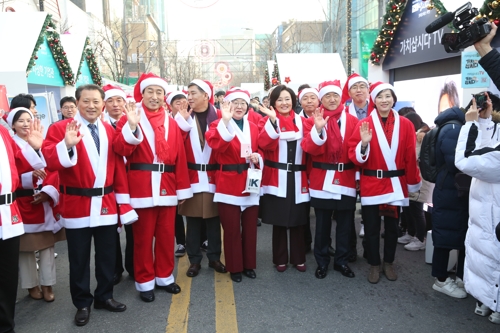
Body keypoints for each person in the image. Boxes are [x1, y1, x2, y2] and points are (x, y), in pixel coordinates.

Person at [42, 84, 137, 326]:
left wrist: (132, 127)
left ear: (102, 104)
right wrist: (67, 145)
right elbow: (51, 162)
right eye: (86, 101)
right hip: (77, 204)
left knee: (107, 255)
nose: (91, 106)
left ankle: (104, 296)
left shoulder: (108, 128)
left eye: (96, 101)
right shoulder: (60, 128)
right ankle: (82, 303)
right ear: (77, 103)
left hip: (105, 202)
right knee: (79, 258)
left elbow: (123, 150)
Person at [113, 73, 192, 303]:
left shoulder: (171, 122)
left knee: (167, 237)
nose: (155, 97)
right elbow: (120, 149)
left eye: (159, 92)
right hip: (141, 188)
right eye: (151, 92)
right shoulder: (130, 117)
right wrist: (131, 126)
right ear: (142, 93)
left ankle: (165, 277)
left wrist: (182, 190)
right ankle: (145, 281)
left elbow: (180, 158)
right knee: (143, 239)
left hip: (167, 186)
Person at [348, 82, 421, 284]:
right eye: (380, 96)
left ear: (394, 99)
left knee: (391, 228)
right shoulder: (364, 124)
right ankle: (373, 263)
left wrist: (413, 183)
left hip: (395, 183)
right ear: (374, 100)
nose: (384, 100)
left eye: (388, 96)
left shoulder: (406, 124)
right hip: (372, 182)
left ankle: (388, 262)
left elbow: (409, 156)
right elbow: (354, 157)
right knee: (370, 227)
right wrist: (363, 143)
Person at [301, 80, 358, 279]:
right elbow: (308, 148)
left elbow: (357, 151)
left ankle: (341, 261)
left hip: (346, 178)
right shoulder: (312, 120)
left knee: (344, 225)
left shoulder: (353, 121)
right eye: (327, 96)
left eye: (335, 95)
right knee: (322, 225)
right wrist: (317, 130)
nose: (332, 99)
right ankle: (322, 261)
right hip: (321, 179)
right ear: (321, 100)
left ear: (341, 97)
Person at [205, 88, 261, 282]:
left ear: (247, 107)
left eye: (243, 103)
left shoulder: (253, 126)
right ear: (227, 105)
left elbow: (262, 148)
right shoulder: (216, 124)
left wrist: (257, 156)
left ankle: (248, 264)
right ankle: (235, 267)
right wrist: (226, 121)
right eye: (235, 103)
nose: (239, 106)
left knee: (250, 227)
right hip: (227, 180)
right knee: (231, 229)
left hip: (250, 178)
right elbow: (216, 145)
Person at [7, 108, 62, 303]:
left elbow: (54, 169)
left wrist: (48, 192)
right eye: (20, 121)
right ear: (12, 125)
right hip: (22, 202)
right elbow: (8, 174)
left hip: (43, 201)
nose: (25, 124)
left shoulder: (42, 143)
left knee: (47, 247)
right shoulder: (9, 144)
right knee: (26, 248)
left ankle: (48, 284)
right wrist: (28, 178)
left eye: (29, 120)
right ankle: (32, 285)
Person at [174, 79, 226, 279]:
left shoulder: (221, 116)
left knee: (214, 222)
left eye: (194, 93)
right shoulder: (183, 117)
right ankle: (194, 260)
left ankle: (214, 257)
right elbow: (175, 146)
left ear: (206, 95)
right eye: (188, 93)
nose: (189, 97)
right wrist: (182, 124)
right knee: (193, 222)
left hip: (215, 177)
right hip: (192, 177)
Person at [455, 96, 500, 324]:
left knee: (493, 258)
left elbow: (465, 160)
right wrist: (483, 122)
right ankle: (487, 299)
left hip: (493, 214)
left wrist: (470, 124)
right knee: (484, 257)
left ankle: (496, 304)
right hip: (484, 210)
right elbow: (485, 148)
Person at [0, 109, 45, 333]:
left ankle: (7, 327)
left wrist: (35, 147)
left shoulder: (4, 133)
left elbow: (19, 170)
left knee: (7, 278)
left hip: (9, 214)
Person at [258, 85, 310, 272]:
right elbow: (264, 144)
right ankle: (280, 258)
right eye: (279, 99)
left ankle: (298, 257)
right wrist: (272, 122)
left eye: (287, 99)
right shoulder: (266, 121)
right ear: (273, 103)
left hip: (298, 176)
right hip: (276, 177)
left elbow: (313, 147)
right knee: (279, 221)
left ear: (293, 101)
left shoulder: (304, 122)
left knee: (298, 220)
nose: (284, 103)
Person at [430, 105, 468, 298]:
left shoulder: (453, 125)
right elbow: (456, 163)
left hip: (454, 188)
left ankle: (460, 276)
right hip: (452, 189)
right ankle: (441, 279)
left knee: (460, 233)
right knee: (445, 234)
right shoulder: (454, 128)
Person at [101, 84, 134, 285]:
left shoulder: (132, 121)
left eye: (119, 100)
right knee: (110, 231)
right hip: (108, 184)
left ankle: (133, 266)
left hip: (130, 183)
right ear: (104, 104)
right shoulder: (99, 124)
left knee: (132, 228)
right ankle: (115, 269)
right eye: (110, 101)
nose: (115, 105)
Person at [397, 112, 434, 251]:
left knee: (417, 210)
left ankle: (420, 238)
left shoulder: (422, 136)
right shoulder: (416, 135)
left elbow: (418, 157)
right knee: (408, 207)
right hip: (411, 178)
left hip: (420, 179)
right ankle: (411, 233)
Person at [343, 73, 370, 252]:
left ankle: (370, 250)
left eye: (362, 86)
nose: (359, 90)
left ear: (368, 90)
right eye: (355, 87)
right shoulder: (344, 114)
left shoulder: (378, 110)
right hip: (350, 167)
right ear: (349, 92)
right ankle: (350, 249)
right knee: (348, 211)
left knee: (370, 210)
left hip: (372, 167)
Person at [166, 91, 189, 257]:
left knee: (196, 208)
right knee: (176, 210)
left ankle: (202, 238)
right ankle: (181, 241)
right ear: (170, 106)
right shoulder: (167, 123)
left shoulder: (194, 118)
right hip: (172, 172)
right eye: (177, 103)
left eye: (184, 102)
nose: (181, 106)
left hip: (193, 170)